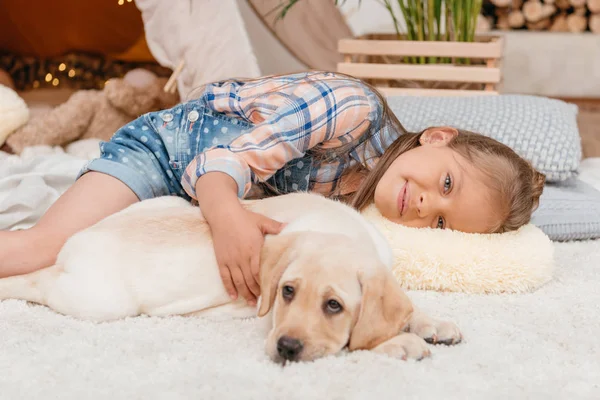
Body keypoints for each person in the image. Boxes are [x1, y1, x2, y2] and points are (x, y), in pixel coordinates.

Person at [0, 71, 545, 305]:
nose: (428, 206)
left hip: (190, 204)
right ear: (437, 135)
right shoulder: (349, 108)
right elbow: (223, 163)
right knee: (44, 249)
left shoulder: (366, 206)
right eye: (446, 182)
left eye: (444, 222)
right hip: (167, 154)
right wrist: (227, 216)